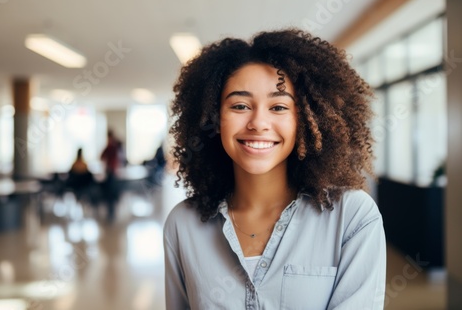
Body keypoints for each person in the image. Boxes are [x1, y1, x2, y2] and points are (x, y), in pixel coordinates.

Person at [164, 29, 386, 309]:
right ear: (214, 117)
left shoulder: (352, 217)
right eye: (240, 105)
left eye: (279, 107)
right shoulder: (182, 225)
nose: (258, 122)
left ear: (306, 119)